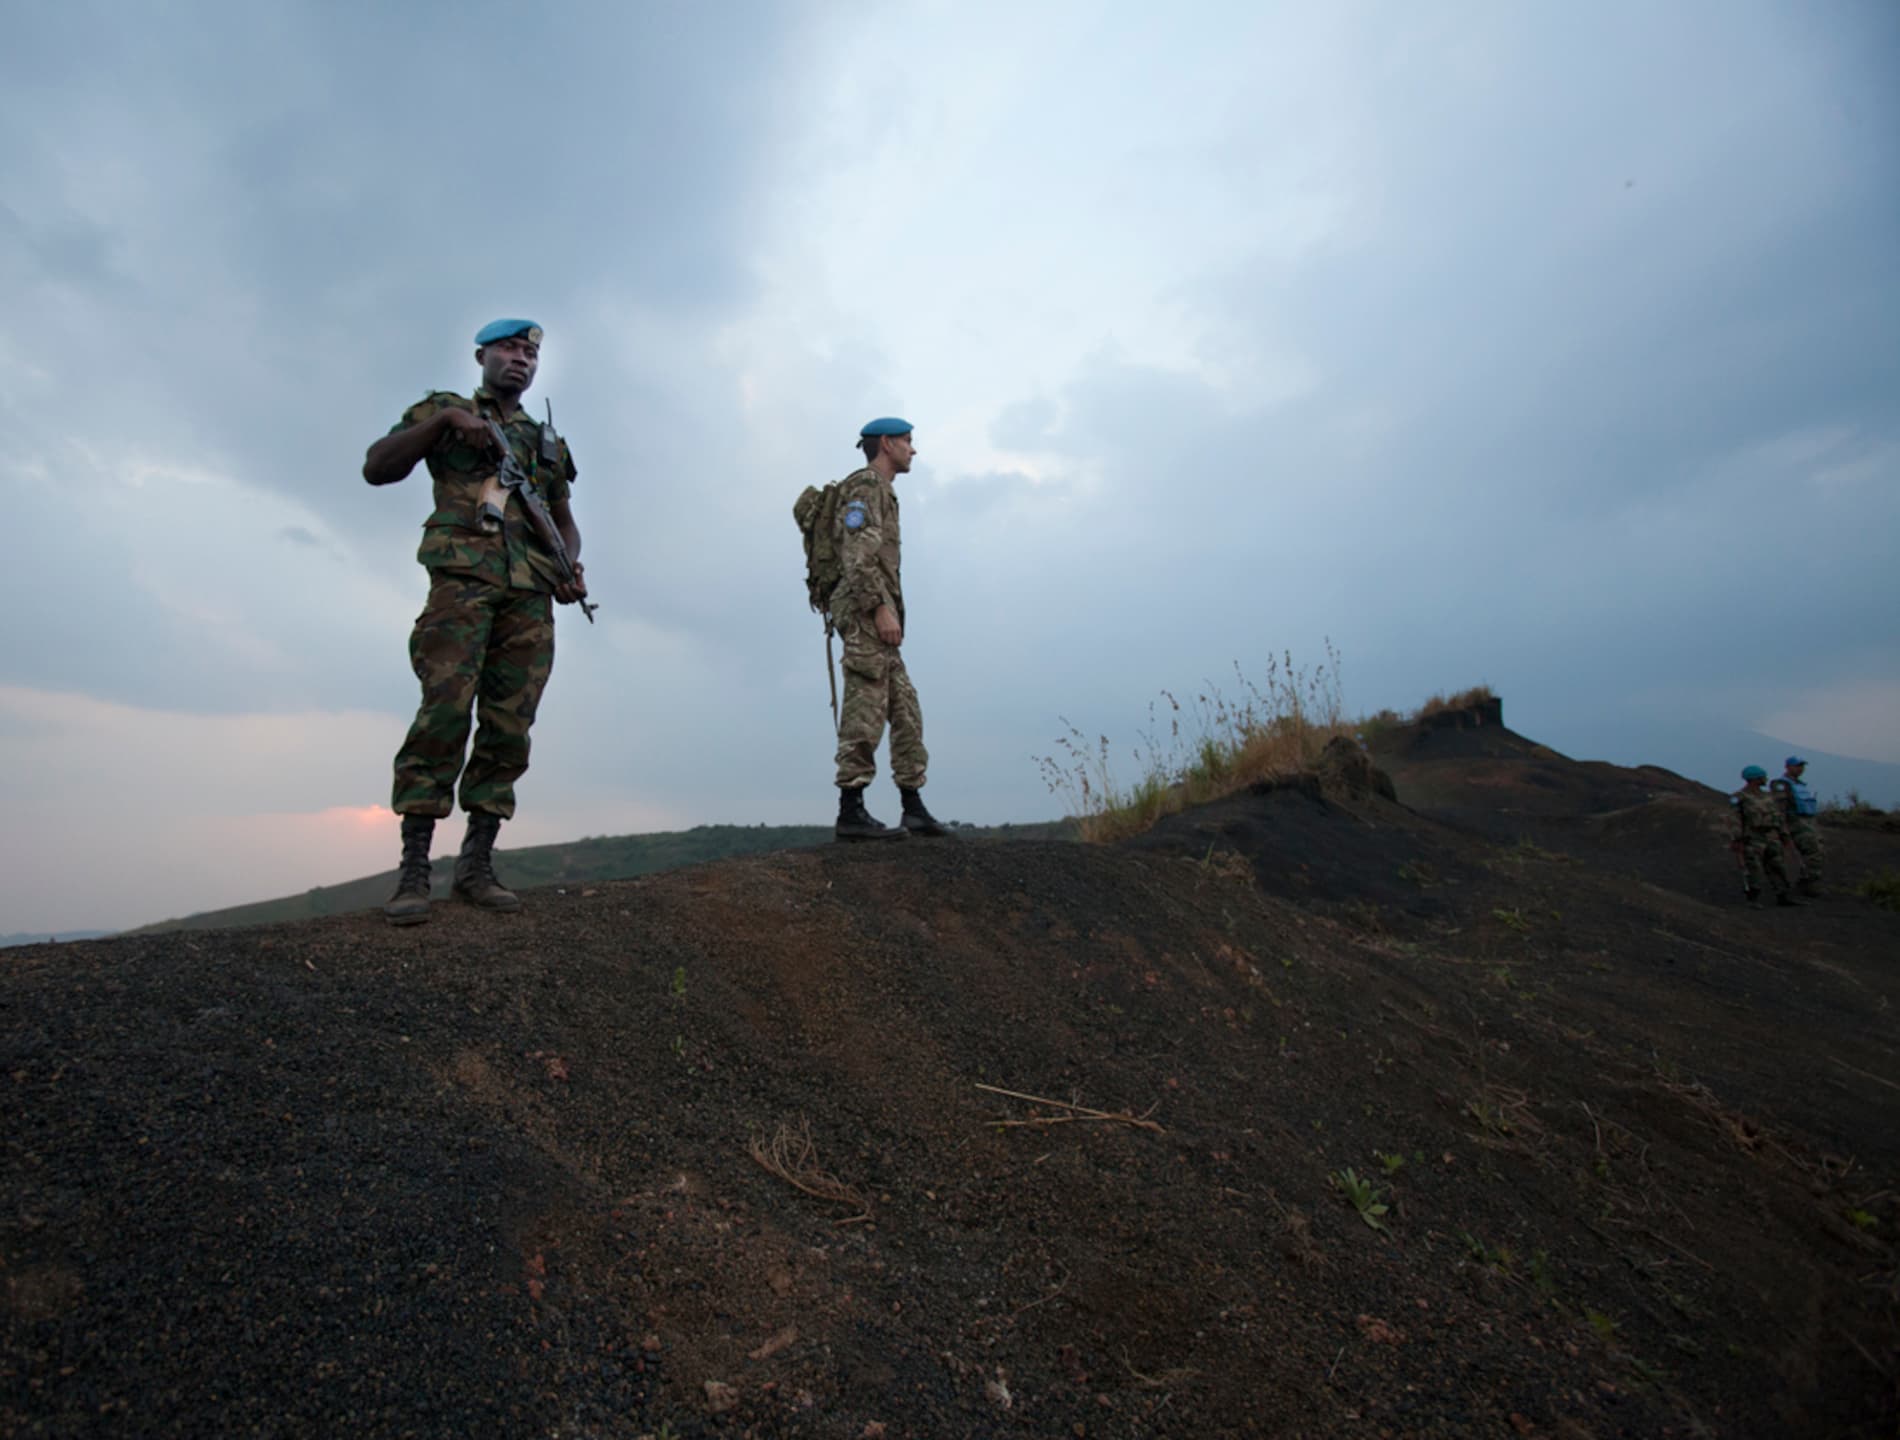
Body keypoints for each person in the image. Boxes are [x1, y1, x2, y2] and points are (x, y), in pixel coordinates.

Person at [361, 318, 588, 925]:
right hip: (462, 587)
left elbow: (563, 516)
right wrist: (441, 426)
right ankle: (414, 870)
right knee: (442, 714)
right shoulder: (445, 409)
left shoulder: (545, 441)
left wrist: (571, 563)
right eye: (511, 348)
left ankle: (476, 864)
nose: (522, 359)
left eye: (531, 353)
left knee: (509, 726)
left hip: (529, 596)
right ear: (482, 354)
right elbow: (377, 467)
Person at [828, 417, 949, 841]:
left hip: (877, 613)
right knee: (866, 705)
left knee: (905, 709)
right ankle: (851, 810)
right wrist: (879, 608)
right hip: (865, 612)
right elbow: (857, 557)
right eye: (908, 441)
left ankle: (913, 807)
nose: (913, 450)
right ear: (886, 443)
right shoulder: (864, 487)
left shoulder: (883, 491)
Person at [1730, 765, 1800, 908]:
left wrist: (1784, 835)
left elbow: (1778, 817)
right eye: (1762, 777)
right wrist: (1737, 839)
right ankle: (1753, 898)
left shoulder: (1768, 796)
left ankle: (1783, 895)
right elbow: (1735, 819)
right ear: (1755, 779)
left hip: (1771, 836)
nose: (1765, 779)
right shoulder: (1740, 797)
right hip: (1753, 837)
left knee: (1777, 866)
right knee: (1753, 868)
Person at [1772, 755, 1825, 897]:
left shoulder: (1799, 785)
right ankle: (1805, 883)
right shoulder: (1782, 785)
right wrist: (1783, 829)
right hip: (1795, 823)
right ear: (1788, 767)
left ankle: (1805, 880)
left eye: (1802, 766)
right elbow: (1779, 809)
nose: (1800, 769)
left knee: (1816, 851)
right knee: (1811, 852)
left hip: (1807, 822)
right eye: (1797, 766)